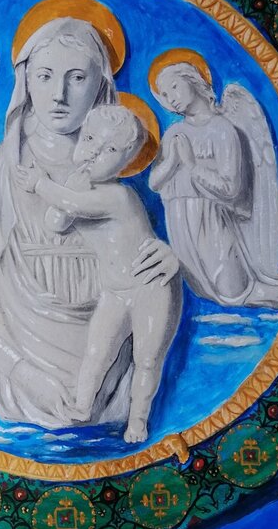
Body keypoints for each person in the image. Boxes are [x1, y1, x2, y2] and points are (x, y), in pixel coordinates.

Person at [0, 11, 180, 429]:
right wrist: (22, 372)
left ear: (101, 85)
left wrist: (167, 265)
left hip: (114, 390)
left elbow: (139, 255)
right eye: (44, 76)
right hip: (15, 391)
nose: (59, 95)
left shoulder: (121, 187)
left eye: (77, 78)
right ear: (26, 80)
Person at [16, 104, 181, 442]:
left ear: (126, 162)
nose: (94, 152)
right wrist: (70, 186)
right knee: (96, 353)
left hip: (151, 287)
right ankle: (82, 406)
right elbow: (56, 222)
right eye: (90, 139)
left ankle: (138, 420)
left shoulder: (119, 196)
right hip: (115, 292)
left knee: (147, 359)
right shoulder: (77, 188)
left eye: (110, 150)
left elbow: (73, 206)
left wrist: (41, 185)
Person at [149, 55, 278, 308]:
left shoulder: (222, 129)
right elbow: (154, 183)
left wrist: (192, 166)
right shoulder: (174, 133)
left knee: (235, 293)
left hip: (212, 224)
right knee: (209, 292)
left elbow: (231, 188)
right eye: (165, 94)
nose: (171, 98)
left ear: (194, 81)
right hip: (181, 227)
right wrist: (172, 161)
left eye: (174, 87)